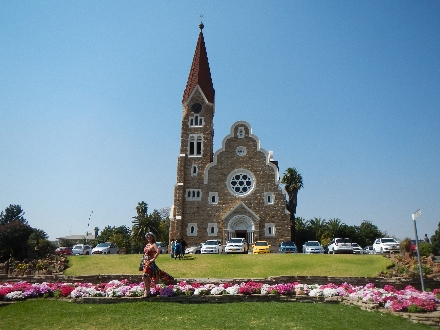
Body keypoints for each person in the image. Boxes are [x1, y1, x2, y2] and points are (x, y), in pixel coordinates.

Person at [141, 232, 174, 297]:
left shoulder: (154, 244)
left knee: (144, 276)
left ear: (153, 237)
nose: (149, 238)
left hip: (150, 263)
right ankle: (147, 292)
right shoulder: (147, 244)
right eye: (148, 237)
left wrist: (153, 259)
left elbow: (158, 251)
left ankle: (147, 293)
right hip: (145, 262)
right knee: (146, 277)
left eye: (150, 237)